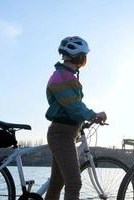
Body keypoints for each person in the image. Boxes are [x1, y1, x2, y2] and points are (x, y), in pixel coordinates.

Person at [44, 36, 107, 200]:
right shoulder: (61, 76)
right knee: (74, 183)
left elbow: (72, 106)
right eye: (85, 55)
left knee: (56, 185)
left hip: (66, 133)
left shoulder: (67, 75)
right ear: (79, 56)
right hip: (61, 135)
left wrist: (85, 119)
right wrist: (93, 115)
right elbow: (73, 106)